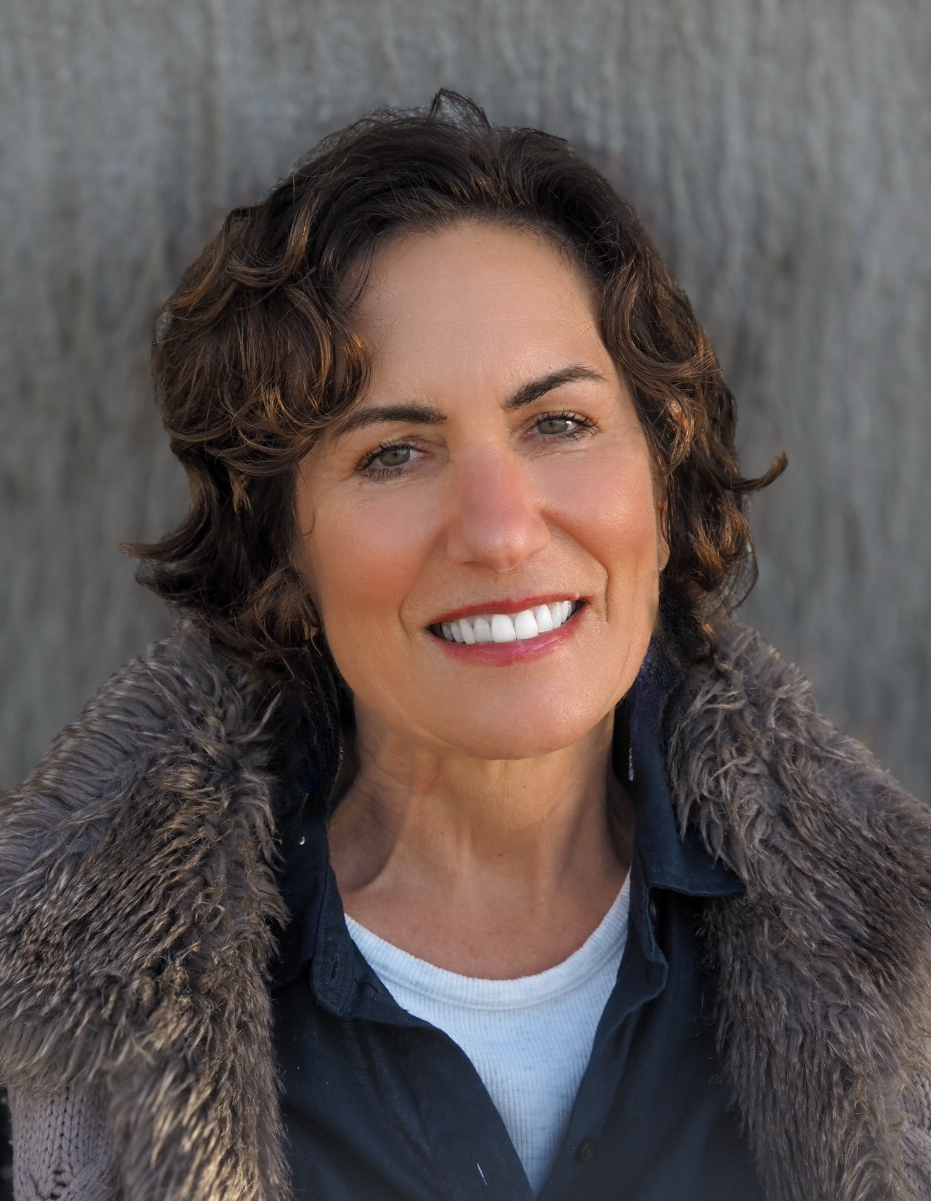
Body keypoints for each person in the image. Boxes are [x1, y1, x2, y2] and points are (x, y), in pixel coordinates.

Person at [1, 90, 930, 1201]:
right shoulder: (46, 1027)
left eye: (558, 423)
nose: (499, 530)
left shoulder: (906, 973)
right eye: (394, 453)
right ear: (281, 542)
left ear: (662, 471)